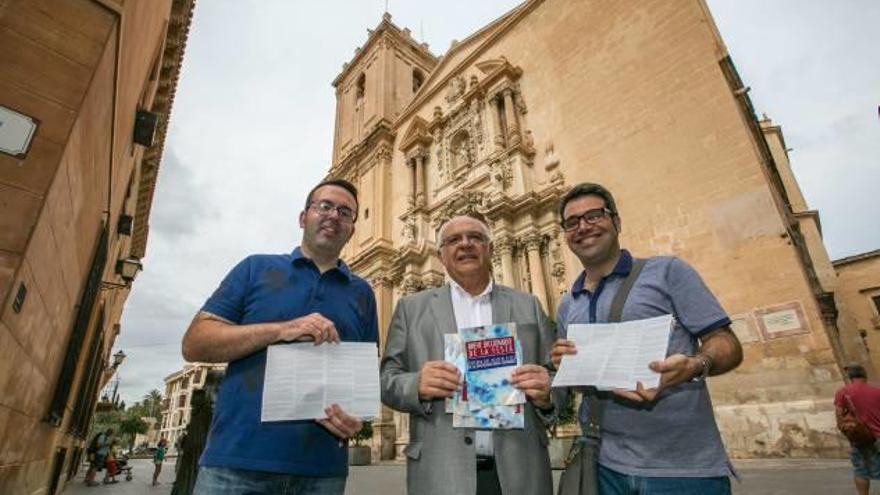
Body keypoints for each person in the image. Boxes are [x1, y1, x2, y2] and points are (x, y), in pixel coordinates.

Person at [182, 179, 379, 495]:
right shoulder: (255, 268)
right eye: (324, 206)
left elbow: (364, 377)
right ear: (304, 217)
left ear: (352, 229)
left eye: (345, 212)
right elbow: (194, 344)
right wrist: (282, 330)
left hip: (322, 474)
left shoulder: (363, 294)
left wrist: (357, 419)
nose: (333, 216)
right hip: (235, 467)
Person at [550, 182, 743, 494]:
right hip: (604, 466)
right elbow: (580, 383)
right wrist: (563, 365)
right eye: (572, 222)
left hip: (683, 470)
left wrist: (695, 365)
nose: (583, 227)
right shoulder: (567, 306)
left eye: (594, 215)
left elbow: (727, 344)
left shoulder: (667, 272)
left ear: (616, 221)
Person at [381, 213, 559, 495]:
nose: (465, 244)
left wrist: (548, 393)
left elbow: (556, 376)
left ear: (489, 248)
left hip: (520, 471)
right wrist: (416, 385)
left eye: (475, 237)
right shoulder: (410, 309)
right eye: (453, 240)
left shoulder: (529, 306)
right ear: (441, 255)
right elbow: (387, 380)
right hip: (441, 473)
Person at [835, 364, 880, 495]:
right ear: (865, 375)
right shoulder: (877, 391)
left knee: (861, 471)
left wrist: (849, 434)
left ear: (850, 377)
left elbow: (839, 416)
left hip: (861, 438)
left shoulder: (843, 392)